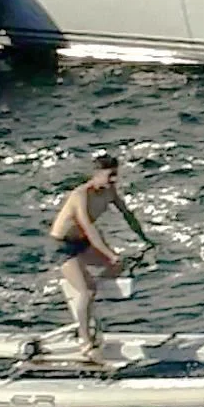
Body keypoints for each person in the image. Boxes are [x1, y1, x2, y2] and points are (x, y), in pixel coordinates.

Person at [45, 152, 147, 363]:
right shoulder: (80, 195)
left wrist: (145, 239)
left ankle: (84, 305)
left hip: (83, 244)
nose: (113, 180)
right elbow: (89, 228)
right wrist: (110, 253)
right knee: (89, 289)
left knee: (117, 268)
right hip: (63, 247)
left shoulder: (110, 191)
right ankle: (85, 341)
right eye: (110, 175)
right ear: (97, 174)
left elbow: (127, 214)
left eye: (116, 175)